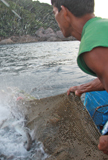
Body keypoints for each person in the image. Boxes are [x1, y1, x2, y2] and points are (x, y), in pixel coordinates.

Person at [51, 0, 108, 155]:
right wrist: (84, 87)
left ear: (65, 12)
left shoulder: (92, 45)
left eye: (55, 12)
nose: (56, 19)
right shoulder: (101, 27)